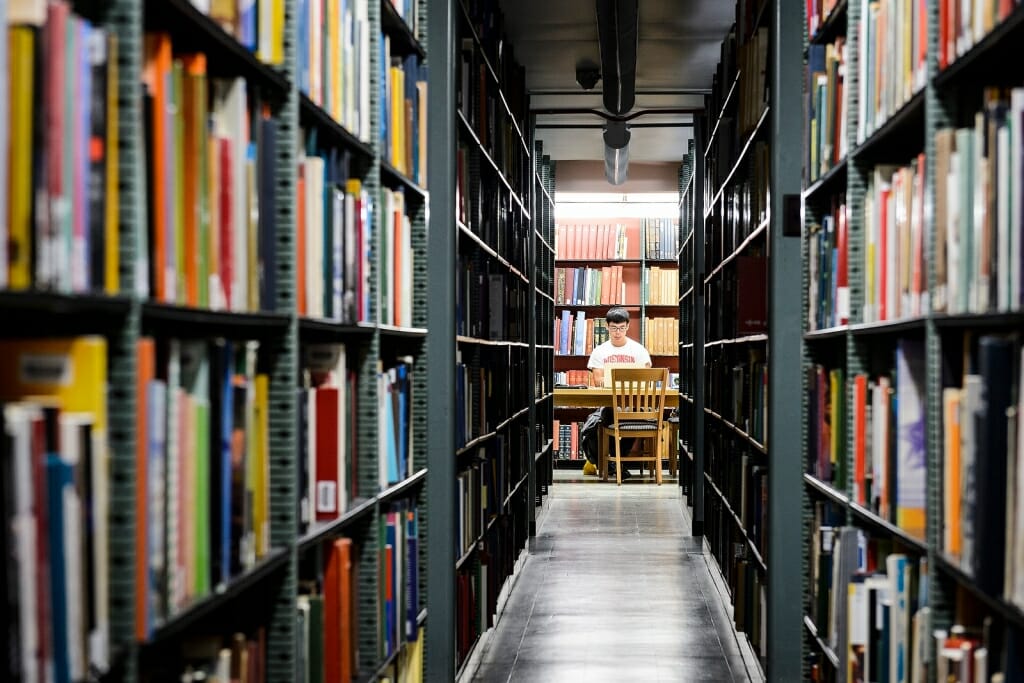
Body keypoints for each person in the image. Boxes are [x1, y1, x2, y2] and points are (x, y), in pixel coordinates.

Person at [581, 307, 652, 477]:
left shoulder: (639, 351)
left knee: (634, 418)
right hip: (609, 406)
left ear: (627, 326)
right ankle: (616, 465)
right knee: (596, 424)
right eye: (613, 328)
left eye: (621, 328)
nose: (617, 332)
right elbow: (599, 382)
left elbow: (646, 381)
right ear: (606, 326)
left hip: (634, 408)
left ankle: (615, 463)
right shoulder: (600, 351)